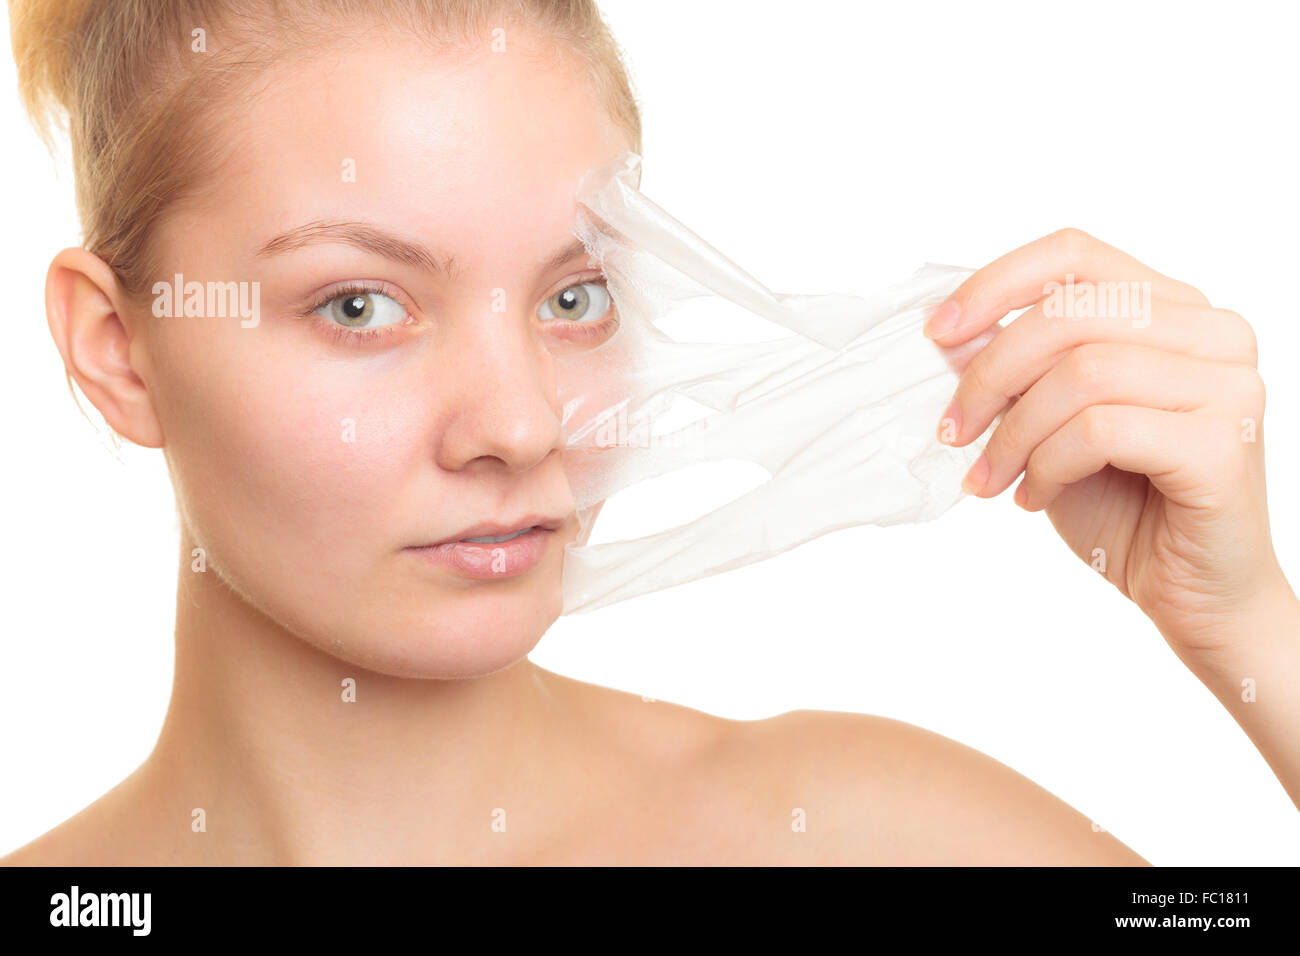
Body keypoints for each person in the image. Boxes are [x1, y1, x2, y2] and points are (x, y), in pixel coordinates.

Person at [3, 0, 1295, 866]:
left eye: (575, 297)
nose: (519, 424)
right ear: (118, 351)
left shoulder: (858, 842)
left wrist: (1250, 628)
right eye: (360, 305)